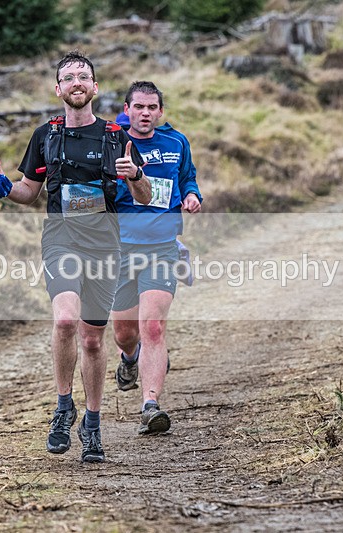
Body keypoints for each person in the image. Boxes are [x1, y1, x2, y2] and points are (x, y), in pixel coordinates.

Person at [0, 51, 150, 462]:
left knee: (93, 340)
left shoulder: (117, 136)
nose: (76, 82)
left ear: (94, 88)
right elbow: (30, 192)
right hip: (61, 238)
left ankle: (92, 424)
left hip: (104, 244)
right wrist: (4, 188)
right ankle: (63, 408)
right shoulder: (46, 136)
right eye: (68, 77)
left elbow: (143, 197)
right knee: (64, 321)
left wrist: (136, 176)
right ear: (57, 89)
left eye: (84, 77)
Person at [111, 81, 202, 435]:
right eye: (139, 107)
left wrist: (193, 196)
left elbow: (188, 179)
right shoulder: (113, 142)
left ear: (160, 112)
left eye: (152, 107)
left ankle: (150, 406)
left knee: (153, 326)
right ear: (128, 109)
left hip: (162, 247)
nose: (145, 113)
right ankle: (129, 358)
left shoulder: (176, 142)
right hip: (120, 249)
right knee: (124, 332)